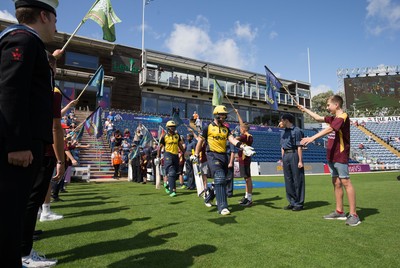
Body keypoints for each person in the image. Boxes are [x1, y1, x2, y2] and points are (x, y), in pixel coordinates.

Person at [0, 1, 60, 266]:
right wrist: (17, 143)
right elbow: (10, 91)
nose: (56, 27)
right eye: (55, 20)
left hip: (27, 142)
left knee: (14, 212)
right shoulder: (23, 41)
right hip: (20, 146)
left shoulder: (30, 43)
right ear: (44, 15)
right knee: (10, 215)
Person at [299, 95, 361, 226]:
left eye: (328, 105)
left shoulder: (343, 117)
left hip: (340, 154)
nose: (327, 107)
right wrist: (304, 109)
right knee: (336, 183)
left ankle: (354, 214)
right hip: (331, 154)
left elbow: (330, 129)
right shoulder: (333, 118)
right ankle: (339, 211)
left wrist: (312, 138)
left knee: (346, 182)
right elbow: (317, 117)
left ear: (336, 105)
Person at [193, 105, 255, 215]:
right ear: (216, 115)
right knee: (220, 177)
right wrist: (196, 154)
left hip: (224, 156)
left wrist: (243, 147)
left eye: (225, 115)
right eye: (222, 115)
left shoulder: (226, 129)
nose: (224, 117)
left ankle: (209, 198)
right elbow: (200, 142)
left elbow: (232, 139)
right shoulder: (208, 128)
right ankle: (222, 207)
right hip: (212, 155)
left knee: (224, 180)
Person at [279, 113, 305, 211]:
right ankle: (292, 201)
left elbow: (299, 147)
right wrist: (282, 159)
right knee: (288, 180)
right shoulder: (282, 132)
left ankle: (299, 203)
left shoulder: (297, 131)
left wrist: (300, 161)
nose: (281, 122)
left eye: (282, 120)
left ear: (286, 120)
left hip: (294, 155)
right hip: (286, 155)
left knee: (297, 180)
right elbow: (282, 147)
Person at [155, 120, 185, 197]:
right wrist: (158, 157)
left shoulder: (177, 135)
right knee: (171, 172)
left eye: (174, 127)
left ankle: (167, 185)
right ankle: (173, 190)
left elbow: (180, 145)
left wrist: (184, 153)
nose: (173, 128)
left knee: (175, 174)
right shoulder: (164, 136)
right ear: (168, 128)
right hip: (168, 155)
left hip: (175, 155)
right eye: (171, 127)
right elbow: (159, 147)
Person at [237, 122, 254, 207]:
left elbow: (237, 139)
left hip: (245, 159)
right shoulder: (247, 136)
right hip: (242, 159)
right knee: (246, 178)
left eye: (241, 128)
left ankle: (249, 198)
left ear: (244, 129)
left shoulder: (246, 136)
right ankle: (247, 196)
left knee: (248, 178)